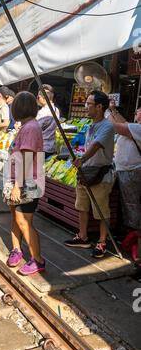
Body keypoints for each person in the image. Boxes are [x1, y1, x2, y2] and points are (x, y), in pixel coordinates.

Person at [64, 90, 115, 258]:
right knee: (82, 206)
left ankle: (101, 242)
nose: (86, 107)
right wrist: (82, 162)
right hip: (86, 172)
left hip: (100, 175)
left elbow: (96, 146)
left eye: (89, 104)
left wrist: (82, 159)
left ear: (99, 107)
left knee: (101, 211)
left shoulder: (107, 126)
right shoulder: (91, 124)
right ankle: (83, 236)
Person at [5, 91, 45, 276]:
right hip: (19, 180)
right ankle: (16, 250)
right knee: (15, 217)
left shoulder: (30, 128)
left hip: (27, 182)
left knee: (24, 221)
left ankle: (38, 260)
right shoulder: (27, 126)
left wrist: (17, 186)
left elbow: (27, 158)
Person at [107, 104, 141, 235]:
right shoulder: (135, 127)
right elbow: (124, 122)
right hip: (127, 169)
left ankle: (134, 234)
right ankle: (130, 231)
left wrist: (105, 110)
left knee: (130, 203)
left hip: (131, 170)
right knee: (127, 202)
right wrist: (113, 109)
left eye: (140, 110)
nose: (137, 111)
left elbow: (116, 127)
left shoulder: (138, 128)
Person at [36, 84, 60, 159]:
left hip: (41, 147)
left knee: (36, 169)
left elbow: (35, 129)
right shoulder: (56, 110)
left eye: (38, 97)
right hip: (51, 147)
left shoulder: (43, 112)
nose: (38, 99)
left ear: (43, 98)